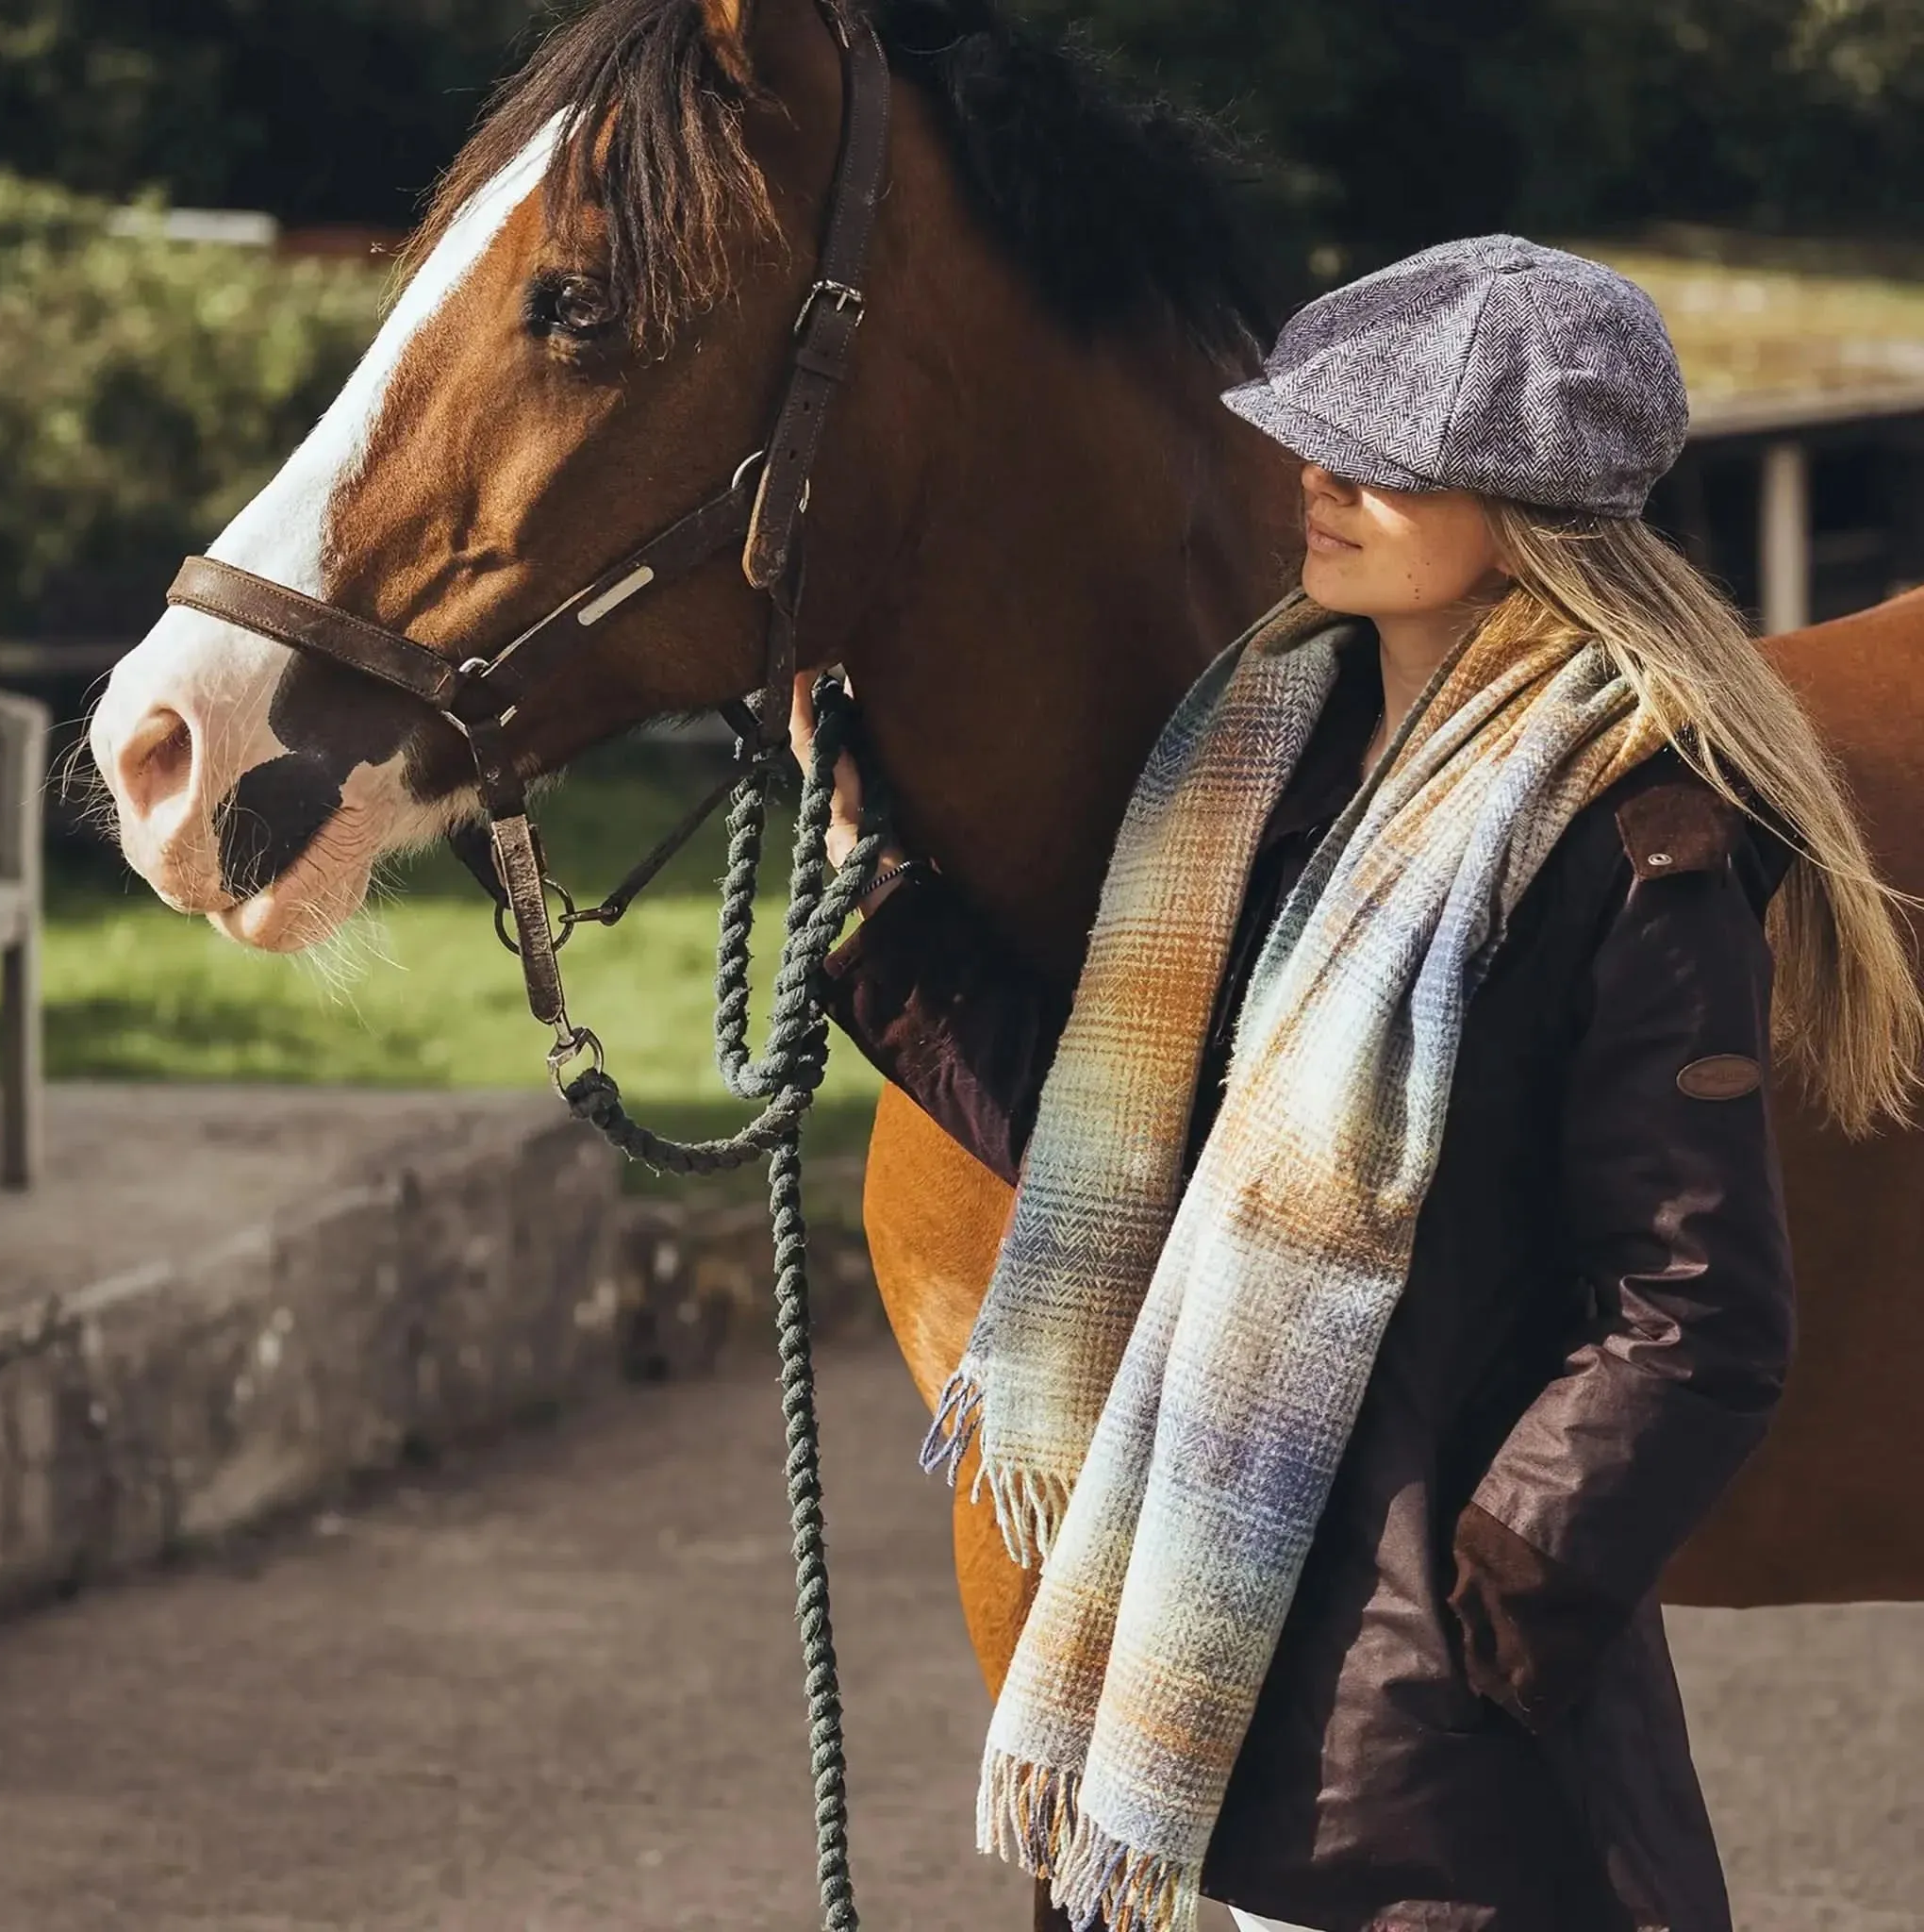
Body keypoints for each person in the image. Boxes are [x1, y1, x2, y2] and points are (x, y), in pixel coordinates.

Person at [791, 236, 1922, 1932]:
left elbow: (1697, 1313)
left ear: (1529, 511)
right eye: (1319, 435)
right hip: (1212, 1698)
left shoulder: (1639, 844)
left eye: (1387, 457)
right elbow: (1175, 1172)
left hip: (1432, 1747)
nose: (1318, 475)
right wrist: (890, 930)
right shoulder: (1264, 782)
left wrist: (1494, 1604)